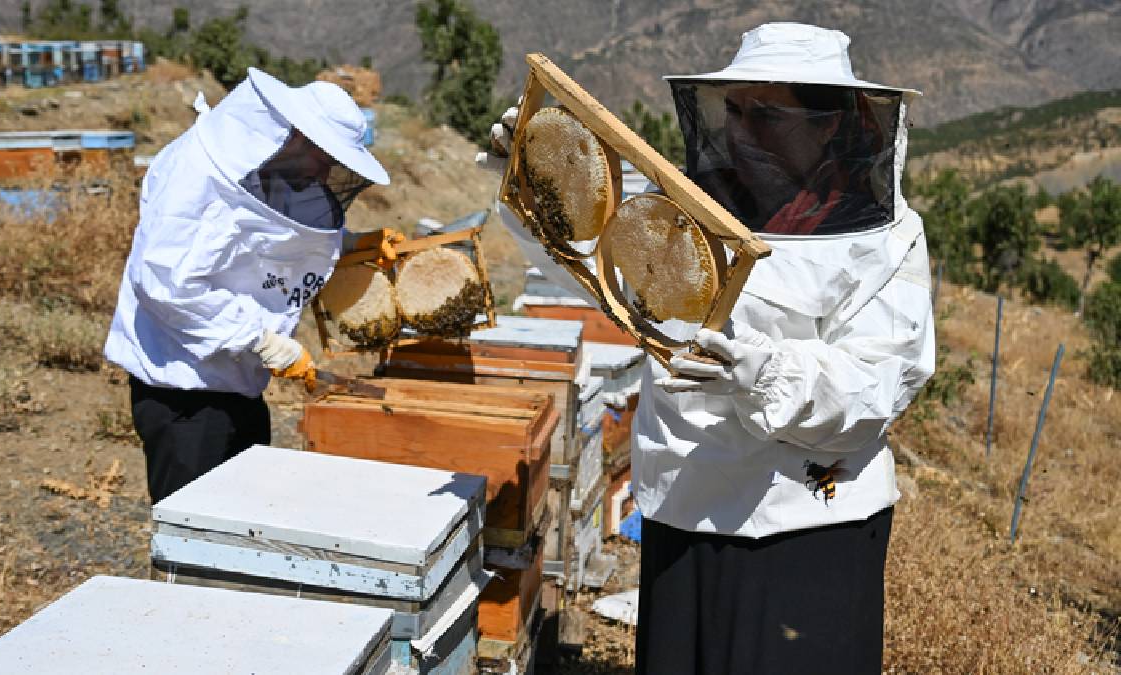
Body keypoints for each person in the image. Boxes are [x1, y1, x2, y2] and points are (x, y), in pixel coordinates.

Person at [479, 22, 934, 673]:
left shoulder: (886, 239)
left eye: (770, 114)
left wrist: (765, 372)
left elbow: (881, 379)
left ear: (832, 122)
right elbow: (601, 265)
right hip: (687, 499)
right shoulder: (693, 207)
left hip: (810, 517)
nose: (746, 131)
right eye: (738, 110)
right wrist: (534, 188)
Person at [104, 68, 390, 504]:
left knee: (245, 530)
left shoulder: (272, 169)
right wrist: (259, 340)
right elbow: (167, 285)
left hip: (238, 386)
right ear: (297, 135)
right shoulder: (196, 174)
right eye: (324, 155)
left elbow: (269, 243)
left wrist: (356, 247)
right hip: (184, 395)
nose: (327, 169)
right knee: (195, 542)